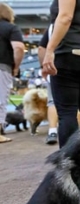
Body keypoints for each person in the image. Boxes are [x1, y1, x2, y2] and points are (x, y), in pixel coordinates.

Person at [42, 0, 80, 148]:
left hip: (68, 53)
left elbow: (65, 17)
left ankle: (69, 164)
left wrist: (49, 50)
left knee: (67, 112)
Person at [0, 3, 24, 143]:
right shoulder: (10, 27)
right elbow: (19, 48)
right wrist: (16, 67)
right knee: (1, 100)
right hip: (2, 66)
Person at [38, 31, 58, 145]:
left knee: (52, 102)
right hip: (79, 64)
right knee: (76, 104)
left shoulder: (53, 27)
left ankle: (52, 131)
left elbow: (41, 49)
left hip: (55, 66)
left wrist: (43, 66)